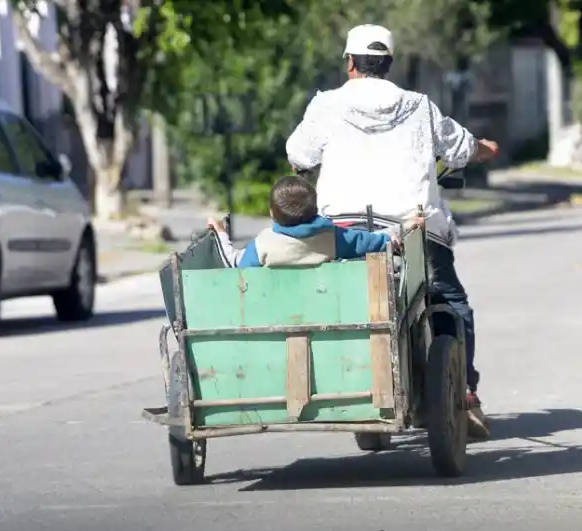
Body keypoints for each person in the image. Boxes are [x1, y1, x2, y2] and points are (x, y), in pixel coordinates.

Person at [285, 24, 499, 438]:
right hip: (412, 230)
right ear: (389, 64)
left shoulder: (326, 106)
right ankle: (466, 394)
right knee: (451, 303)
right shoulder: (419, 106)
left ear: (350, 64)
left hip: (344, 233)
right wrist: (483, 150)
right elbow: (460, 148)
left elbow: (298, 153)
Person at [206, 175, 419, 267]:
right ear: (315, 209)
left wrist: (221, 232)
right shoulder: (333, 237)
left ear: (272, 213)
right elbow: (376, 241)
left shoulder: (263, 244)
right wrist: (405, 227)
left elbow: (233, 262)